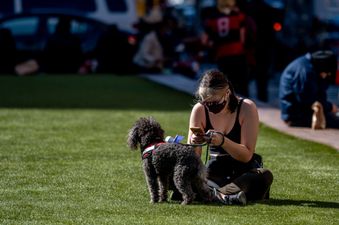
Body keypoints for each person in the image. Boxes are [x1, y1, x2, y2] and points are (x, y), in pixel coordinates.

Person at [188, 69, 273, 205]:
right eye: (206, 103)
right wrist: (195, 143)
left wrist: (222, 141)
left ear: (227, 93)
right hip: (214, 172)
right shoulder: (199, 109)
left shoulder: (246, 107)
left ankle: (215, 195)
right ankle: (226, 196)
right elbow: (193, 161)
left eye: (214, 102)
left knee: (264, 175)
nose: (210, 107)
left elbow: (246, 155)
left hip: (242, 173)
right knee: (190, 176)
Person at [279, 50, 339, 128]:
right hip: (295, 115)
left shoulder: (307, 65)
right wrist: (330, 107)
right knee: (335, 122)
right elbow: (308, 99)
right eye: (326, 73)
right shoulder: (306, 71)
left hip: (295, 111)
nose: (325, 75)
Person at [201, 0, 249, 97]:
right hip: (237, 53)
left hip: (222, 55)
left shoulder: (211, 19)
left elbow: (204, 40)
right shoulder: (239, 16)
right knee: (241, 83)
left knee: (226, 84)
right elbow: (243, 38)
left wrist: (215, 44)